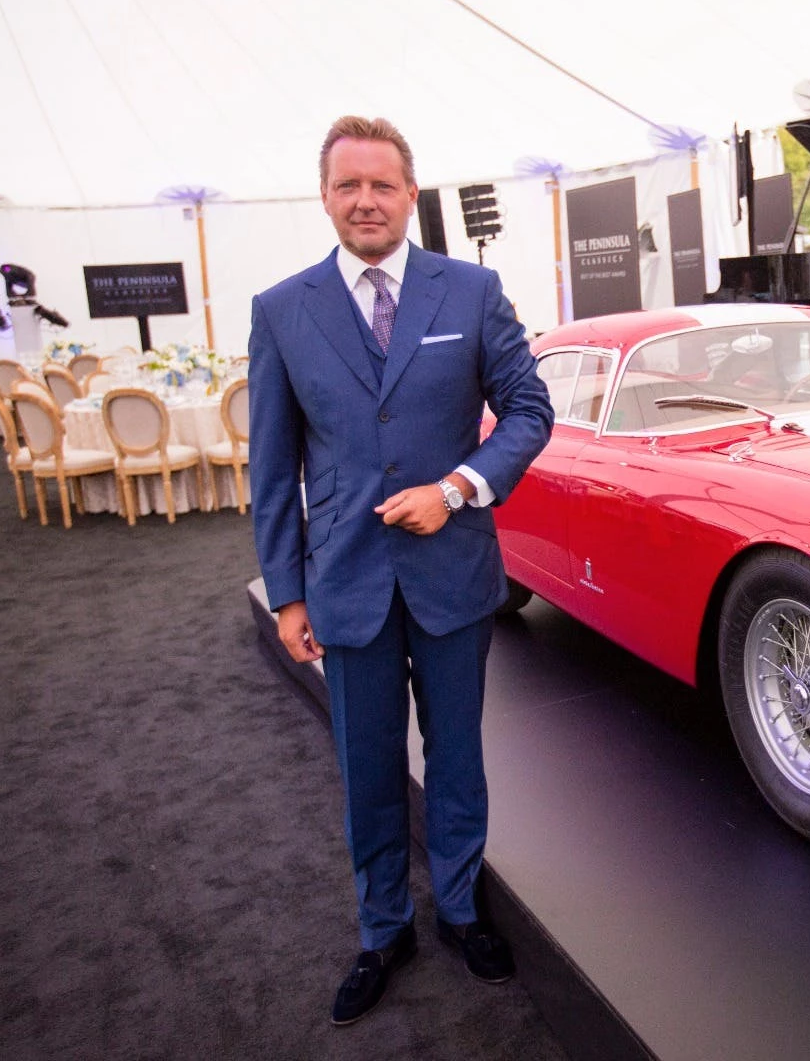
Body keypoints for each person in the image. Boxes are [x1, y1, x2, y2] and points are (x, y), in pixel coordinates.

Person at [248, 115, 554, 1026]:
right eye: (349, 186)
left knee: (458, 759)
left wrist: (459, 487)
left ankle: (460, 909)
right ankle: (383, 929)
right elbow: (271, 468)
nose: (366, 201)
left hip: (453, 574)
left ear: (409, 195)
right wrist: (286, 591)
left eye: (382, 185)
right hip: (344, 585)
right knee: (368, 767)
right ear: (326, 197)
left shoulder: (469, 291)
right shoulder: (282, 309)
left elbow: (531, 410)